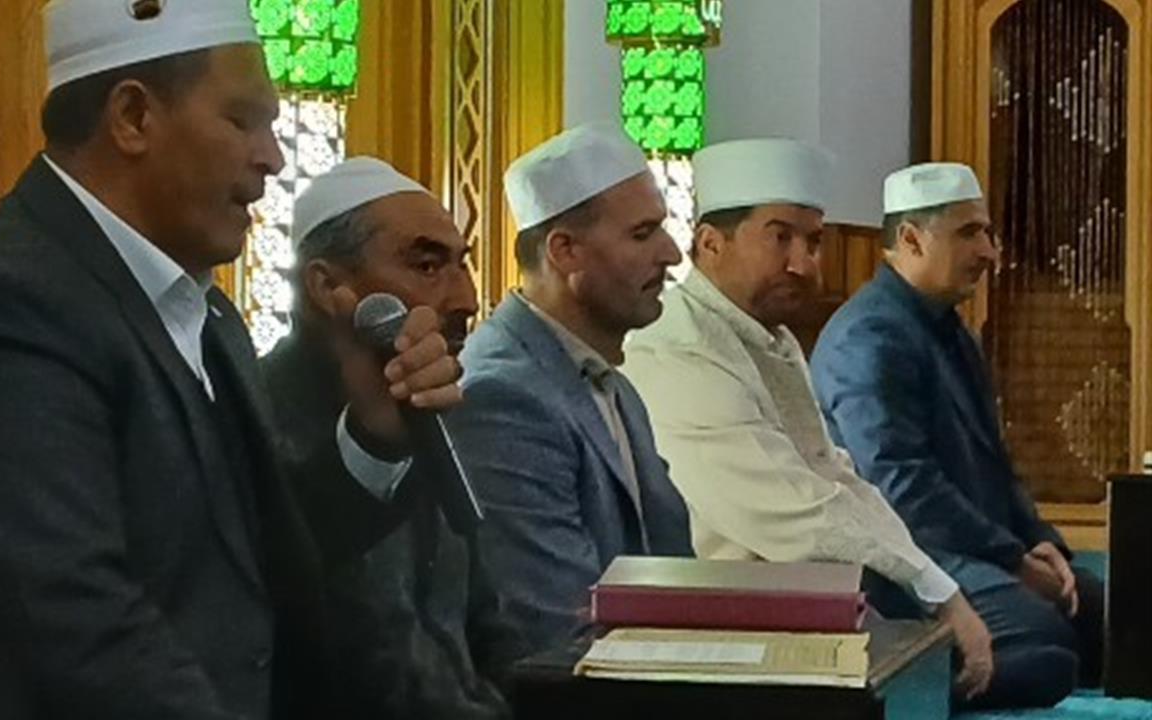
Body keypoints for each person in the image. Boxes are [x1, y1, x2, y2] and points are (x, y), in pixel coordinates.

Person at [0, 2, 461, 718]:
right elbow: (83, 630)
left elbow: (253, 556)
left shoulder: (203, 314)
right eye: (243, 120)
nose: (273, 157)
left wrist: (373, 436)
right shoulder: (3, 314)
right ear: (133, 118)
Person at [623, 139, 995, 703]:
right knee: (995, 652)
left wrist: (932, 581)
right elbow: (791, 509)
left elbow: (835, 473)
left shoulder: (771, 337)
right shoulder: (676, 344)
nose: (803, 263)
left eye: (814, 242)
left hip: (813, 584)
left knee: (1020, 648)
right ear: (710, 242)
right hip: (731, 608)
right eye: (781, 238)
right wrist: (935, 590)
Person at [810, 162, 1104, 708]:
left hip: (975, 550)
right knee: (1048, 641)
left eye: (988, 233)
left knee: (1110, 612)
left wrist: (1040, 542)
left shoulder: (950, 331)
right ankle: (897, 695)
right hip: (913, 561)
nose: (989, 252)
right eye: (970, 233)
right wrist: (1013, 560)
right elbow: (903, 490)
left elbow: (995, 464)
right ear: (911, 239)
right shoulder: (869, 337)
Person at [261, 157, 519, 719]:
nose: (466, 299)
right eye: (427, 266)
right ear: (327, 286)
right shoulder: (259, 417)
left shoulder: (426, 410)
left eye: (462, 265)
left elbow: (487, 629)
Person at [446, 124, 693, 658]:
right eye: (642, 234)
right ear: (564, 250)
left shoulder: (617, 388)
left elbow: (671, 571)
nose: (672, 254)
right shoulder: (502, 397)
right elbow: (553, 630)